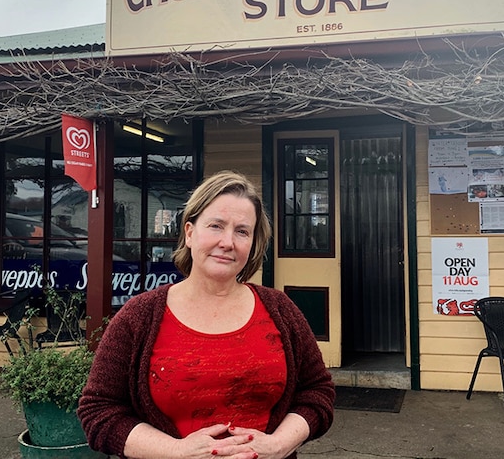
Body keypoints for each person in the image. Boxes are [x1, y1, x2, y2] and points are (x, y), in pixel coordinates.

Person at [78, 170, 335, 459]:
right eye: (216, 226)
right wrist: (176, 451)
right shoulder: (139, 316)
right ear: (189, 232)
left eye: (242, 231)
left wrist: (279, 445)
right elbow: (99, 411)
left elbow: (317, 393)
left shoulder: (280, 310)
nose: (228, 242)